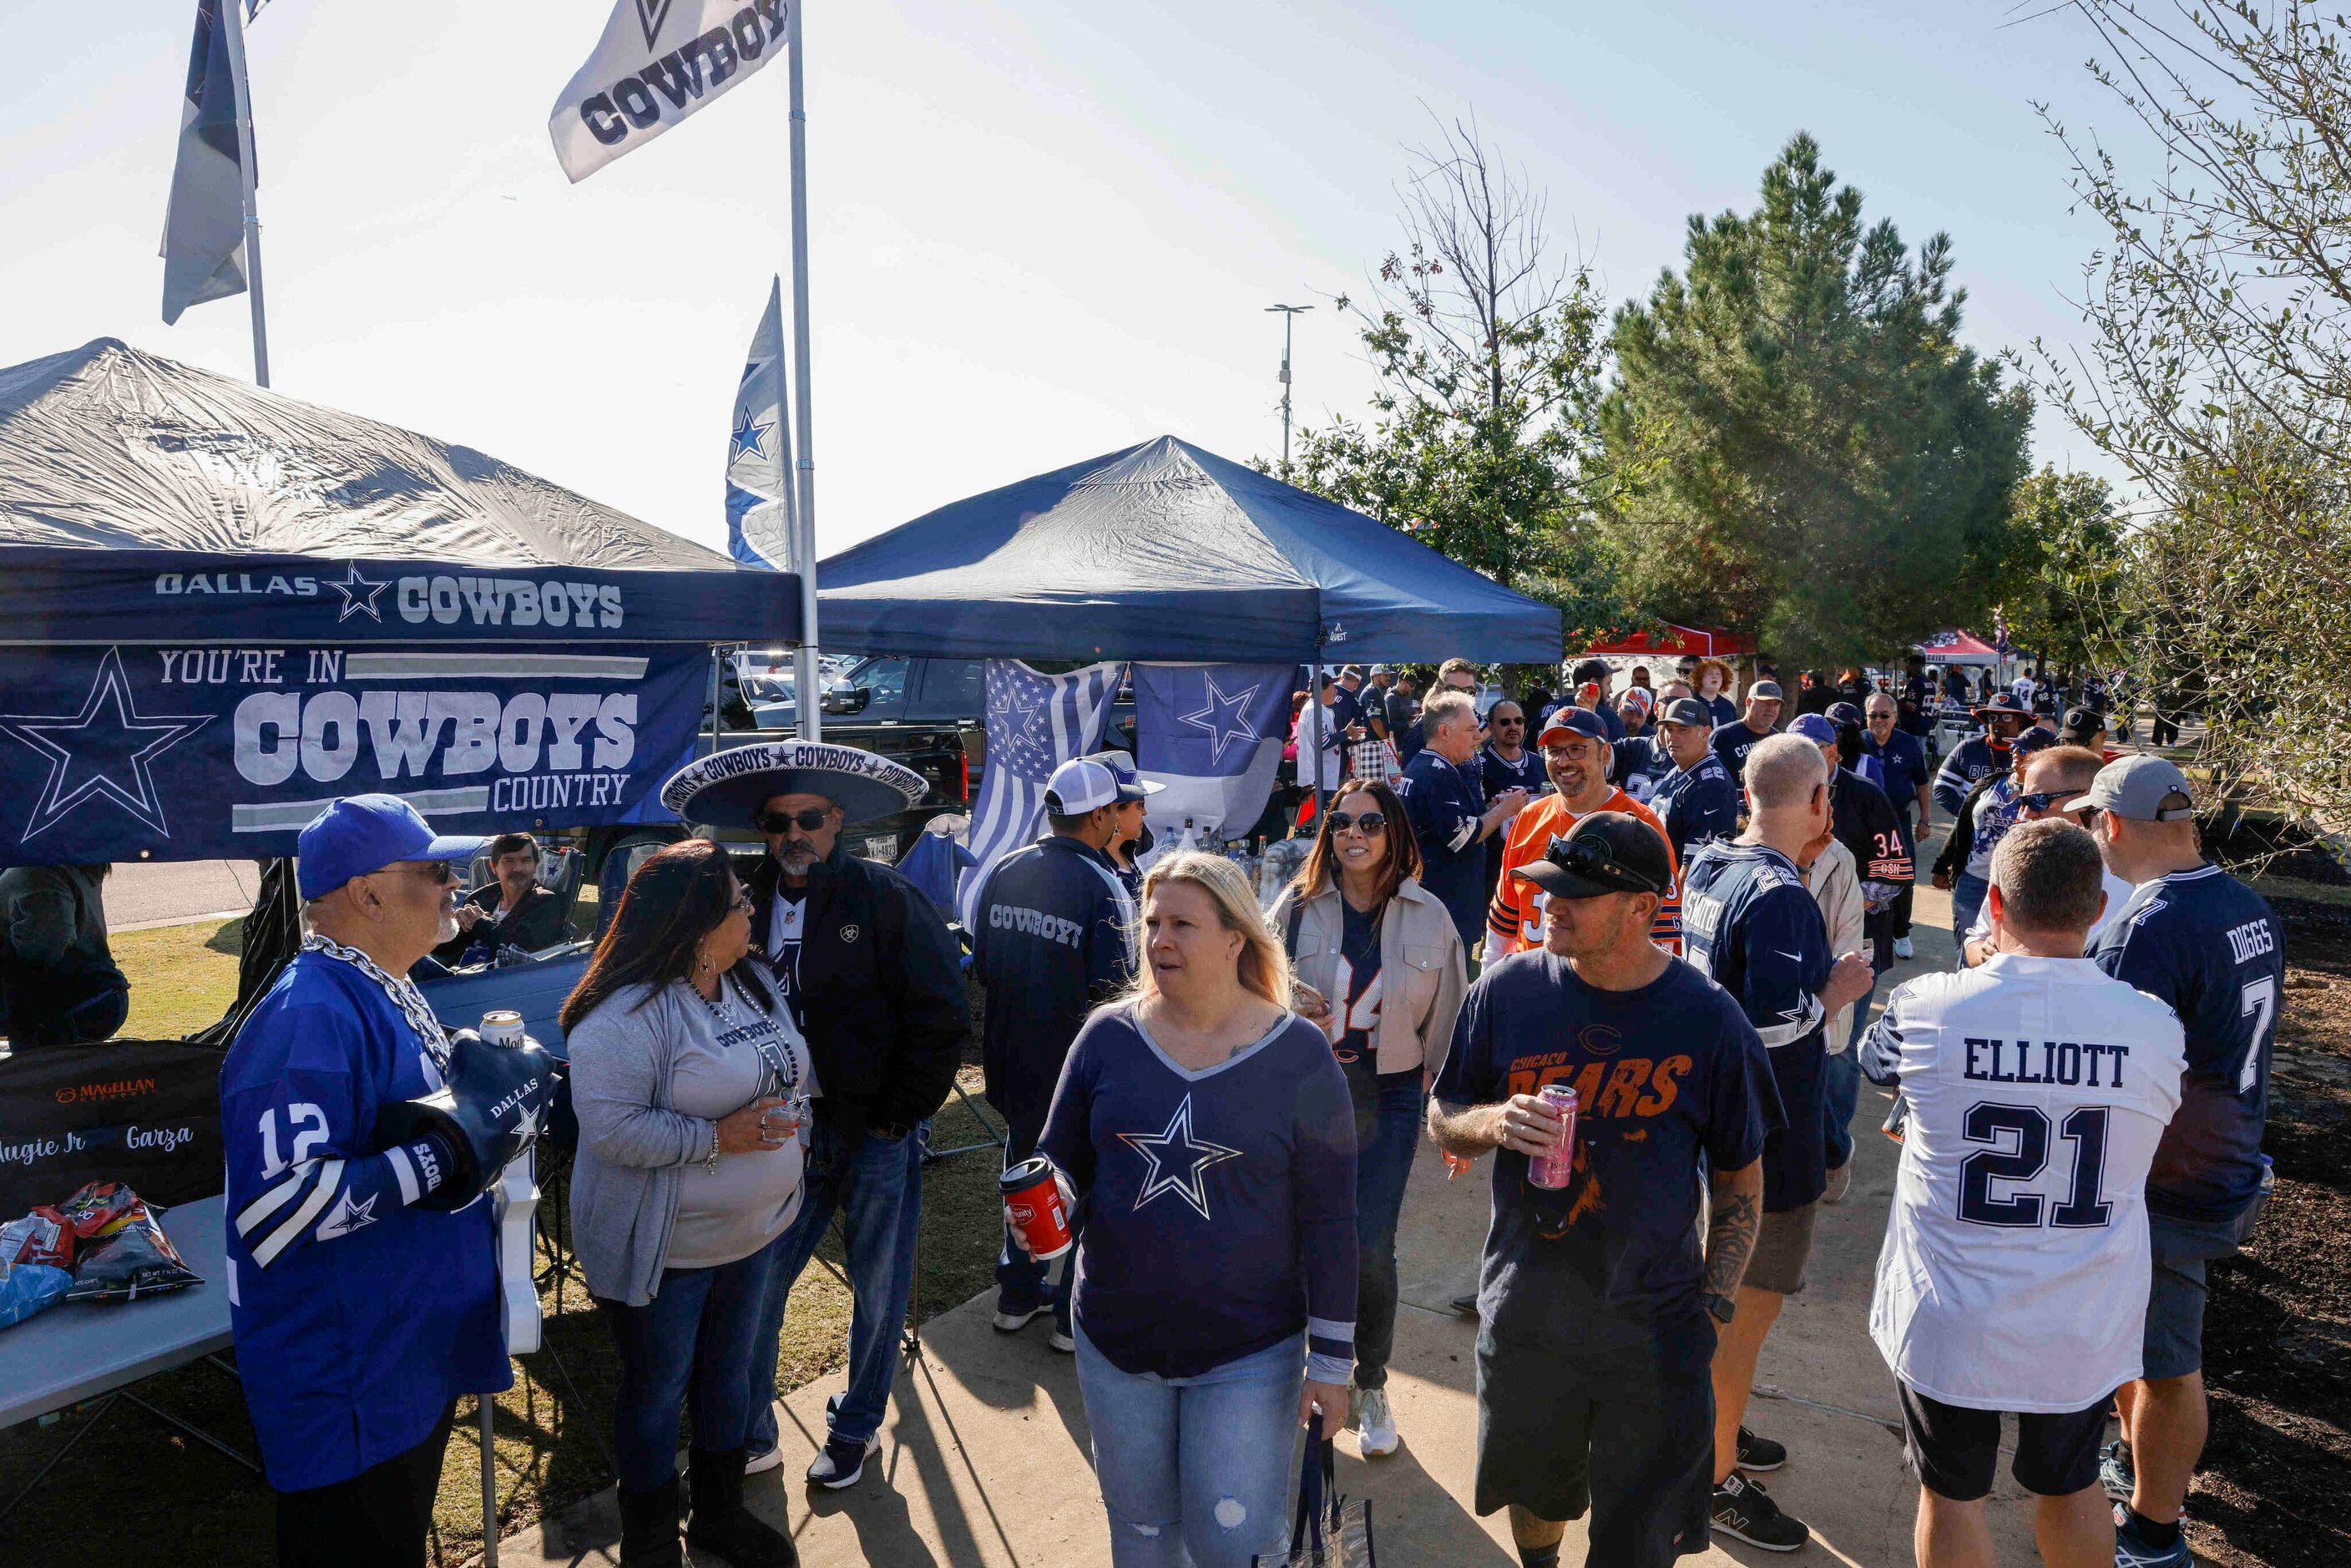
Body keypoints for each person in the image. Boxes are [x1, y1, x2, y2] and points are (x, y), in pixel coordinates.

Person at [1428, 815, 1776, 1568]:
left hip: (1653, 1326)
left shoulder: (1709, 1019)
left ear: (1642, 909)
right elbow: (1444, 1115)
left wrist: (1713, 1307)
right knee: (1534, 1489)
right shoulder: (1508, 991)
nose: (1551, 905)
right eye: (1548, 889)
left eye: (1577, 896)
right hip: (1527, 1310)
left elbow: (1740, 1174)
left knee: (1640, 1536)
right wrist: (1494, 1123)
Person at [220, 796, 554, 1568]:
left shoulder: (385, 984)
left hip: (403, 1352)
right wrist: (451, 1149)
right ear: (367, 893)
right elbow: (278, 1211)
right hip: (351, 1381)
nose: (456, 890)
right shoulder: (307, 1016)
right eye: (435, 872)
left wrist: (493, 1117)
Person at [1860, 820, 2187, 1568]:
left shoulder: (1925, 1004)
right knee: (2071, 1486)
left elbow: (1878, 1069)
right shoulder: (2155, 1026)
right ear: (2099, 907)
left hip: (1952, 1309)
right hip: (2082, 1314)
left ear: (1996, 904)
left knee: (1951, 1495)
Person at [1021, 852, 1356, 1568]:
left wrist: (1332, 1359)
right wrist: (1041, 1203)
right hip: (1114, 1341)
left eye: (1182, 924)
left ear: (1236, 937)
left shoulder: (1299, 1055)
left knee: (1232, 1546)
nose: (1160, 940)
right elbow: (1061, 1161)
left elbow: (1331, 1218)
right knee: (1140, 1539)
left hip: (1249, 1350)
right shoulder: (1106, 1035)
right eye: (1151, 923)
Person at [656, 741, 968, 1487]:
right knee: (760, 1285)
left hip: (873, 1130)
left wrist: (898, 1117)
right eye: (775, 822)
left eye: (808, 820)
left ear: (838, 823)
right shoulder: (739, 901)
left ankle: (856, 1427)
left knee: (877, 1285)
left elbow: (942, 1013)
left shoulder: (884, 898)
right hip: (776, 1131)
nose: (793, 835)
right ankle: (753, 1429)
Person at [564, 842, 811, 1568]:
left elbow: (788, 1065)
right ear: (699, 923)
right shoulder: (624, 1014)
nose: (752, 907)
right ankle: (648, 1545)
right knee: (657, 1391)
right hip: (666, 1249)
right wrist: (718, 1137)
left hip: (754, 1234)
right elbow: (610, 1131)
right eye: (739, 901)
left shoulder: (748, 979)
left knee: (729, 1377)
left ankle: (719, 1516)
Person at [2082, 757, 2285, 1568]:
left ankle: (2154, 1533)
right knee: (2146, 1352)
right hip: (2220, 1155)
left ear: (2116, 825)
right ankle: (2134, 1474)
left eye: (2094, 820)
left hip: (2164, 1180)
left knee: (2167, 1364)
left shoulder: (2146, 925)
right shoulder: (2244, 901)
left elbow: (2104, 1067)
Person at [1680, 738, 1877, 1550]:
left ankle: (1718, 1435)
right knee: (1737, 1320)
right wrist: (1837, 987)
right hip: (1763, 1148)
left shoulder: (1707, 863)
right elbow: (1767, 1031)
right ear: (1819, 801)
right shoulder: (1779, 894)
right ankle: (1709, 1476)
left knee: (1725, 1317)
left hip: (1713, 1132)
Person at [1271, 779, 1467, 1459]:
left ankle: (1371, 1380)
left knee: (1368, 1247)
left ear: (1395, 834)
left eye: (1371, 823)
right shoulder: (1295, 909)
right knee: (1296, 1239)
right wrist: (1284, 997)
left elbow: (1449, 1026)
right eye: (1343, 822)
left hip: (1388, 1097)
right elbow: (1247, 986)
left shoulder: (1431, 916)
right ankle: (1302, 1366)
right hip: (1304, 1095)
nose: (1355, 833)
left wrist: (1454, 1117)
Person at [971, 756, 1143, 1352]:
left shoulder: (1005, 868)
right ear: (1100, 816)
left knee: (1025, 1174)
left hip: (1013, 1061)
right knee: (1087, 1185)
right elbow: (1121, 995)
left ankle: (1017, 1295)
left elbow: (985, 967)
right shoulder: (1104, 885)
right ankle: (1073, 1317)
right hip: (1077, 1072)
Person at [1486, 708, 1679, 959]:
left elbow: (1663, 935)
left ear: (1605, 753)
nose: (1564, 762)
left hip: (1609, 989)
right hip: (1536, 985)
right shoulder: (1529, 818)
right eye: (1554, 751)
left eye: (1577, 749)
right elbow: (1503, 927)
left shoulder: (1640, 825)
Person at [1959, 746, 2135, 966]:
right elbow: (1975, 942)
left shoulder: (2133, 876)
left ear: (2088, 796)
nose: (2027, 812)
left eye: (2039, 800)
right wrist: (1984, 954)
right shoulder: (2019, 856)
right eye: (2023, 801)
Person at [1400, 689, 1529, 964]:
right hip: (1442, 903)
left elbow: (1461, 821)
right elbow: (1464, 837)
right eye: (1471, 729)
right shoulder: (1436, 773)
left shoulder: (1430, 766)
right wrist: (1506, 810)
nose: (1478, 736)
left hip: (1439, 900)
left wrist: (1491, 809)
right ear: (1444, 731)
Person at [1933, 727, 2054, 948]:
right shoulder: (1991, 782)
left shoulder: (2051, 796)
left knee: (2004, 949)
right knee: (1968, 947)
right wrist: (1942, 864)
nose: (2016, 751)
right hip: (1972, 879)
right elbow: (1964, 824)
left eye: (2025, 749)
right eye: (2015, 746)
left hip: (2016, 885)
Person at [0, 861, 127, 1046]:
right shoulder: (58, 864)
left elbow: (46, 945)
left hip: (64, 1005)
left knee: (40, 1071)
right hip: (93, 992)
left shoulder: (38, 874)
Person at [1863, 692, 1934, 959]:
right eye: (1873, 715)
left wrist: (1925, 820)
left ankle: (1901, 932)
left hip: (1899, 819)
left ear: (1895, 717)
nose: (1878, 720)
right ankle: (1866, 930)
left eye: (1884, 715)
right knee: (1865, 875)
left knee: (1902, 875)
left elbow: (1922, 784)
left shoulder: (1907, 744)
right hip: (1865, 823)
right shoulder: (1857, 743)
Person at [432, 832, 569, 966]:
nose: (518, 868)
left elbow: (520, 948)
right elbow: (446, 951)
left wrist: (480, 922)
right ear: (494, 867)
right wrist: (457, 926)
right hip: (456, 975)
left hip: (504, 979)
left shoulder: (545, 902)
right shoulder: (480, 898)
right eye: (509, 861)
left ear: (535, 866)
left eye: (526, 860)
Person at [1650, 696, 1743, 866]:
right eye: (1669, 729)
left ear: (1705, 733)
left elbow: (1697, 865)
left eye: (1683, 730)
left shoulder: (1712, 786)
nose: (1673, 736)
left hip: (1675, 888)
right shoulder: (1680, 768)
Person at [1479, 700, 1550, 908]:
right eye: (1505, 722)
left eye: (1518, 721)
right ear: (1491, 727)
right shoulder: (1479, 766)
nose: (1513, 727)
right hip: (1495, 864)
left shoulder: (1539, 763)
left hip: (1535, 861)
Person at [1090, 749, 1162, 898]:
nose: (1145, 812)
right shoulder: (1095, 866)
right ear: (1114, 811)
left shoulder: (1128, 853)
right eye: (1140, 804)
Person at [1402, 658, 1484, 762]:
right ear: (1440, 690)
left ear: (1475, 693)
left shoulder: (1477, 721)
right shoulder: (1423, 728)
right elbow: (1409, 775)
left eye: (1468, 691)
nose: (1461, 696)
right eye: (1453, 690)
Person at [1708, 680, 1785, 786]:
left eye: (1776, 704)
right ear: (1748, 702)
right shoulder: (1723, 736)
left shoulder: (1780, 741)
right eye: (1766, 703)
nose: (1771, 709)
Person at [1293, 672, 1352, 810]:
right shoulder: (1314, 710)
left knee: (1323, 822)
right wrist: (1346, 733)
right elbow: (1323, 742)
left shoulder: (1317, 709)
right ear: (1321, 689)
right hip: (1319, 779)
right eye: (1333, 687)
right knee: (1322, 823)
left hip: (1322, 777)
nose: (1336, 691)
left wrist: (1348, 734)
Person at [1693, 659, 1740, 729]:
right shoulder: (1692, 703)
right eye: (1709, 673)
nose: (1714, 676)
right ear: (1700, 678)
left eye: (1718, 674)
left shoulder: (1728, 706)